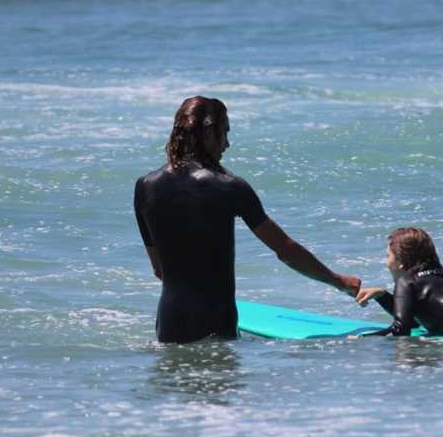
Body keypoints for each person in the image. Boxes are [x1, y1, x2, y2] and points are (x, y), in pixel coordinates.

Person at [134, 96, 362, 344]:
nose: (227, 144)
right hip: (215, 324)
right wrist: (338, 281)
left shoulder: (145, 187)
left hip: (169, 327)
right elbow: (284, 249)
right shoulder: (229, 186)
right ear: (209, 132)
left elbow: (159, 270)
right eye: (225, 133)